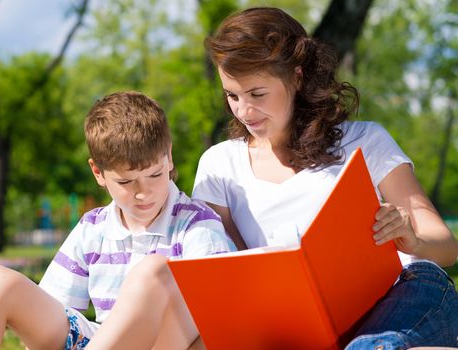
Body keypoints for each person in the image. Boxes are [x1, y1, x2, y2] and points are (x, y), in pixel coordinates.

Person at [191, 6, 458, 349]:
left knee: (397, 314)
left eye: (257, 94)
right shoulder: (219, 165)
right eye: (232, 95)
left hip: (404, 293)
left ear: (297, 78)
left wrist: (413, 239)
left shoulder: (365, 140)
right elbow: (224, 276)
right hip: (302, 323)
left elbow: (447, 245)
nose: (244, 111)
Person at [0, 91, 234, 350]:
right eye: (127, 182)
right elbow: (52, 311)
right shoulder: (94, 227)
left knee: (155, 270)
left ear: (169, 157)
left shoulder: (198, 226)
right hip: (100, 341)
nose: (144, 193)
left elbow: (219, 327)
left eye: (155, 175)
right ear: (98, 173)